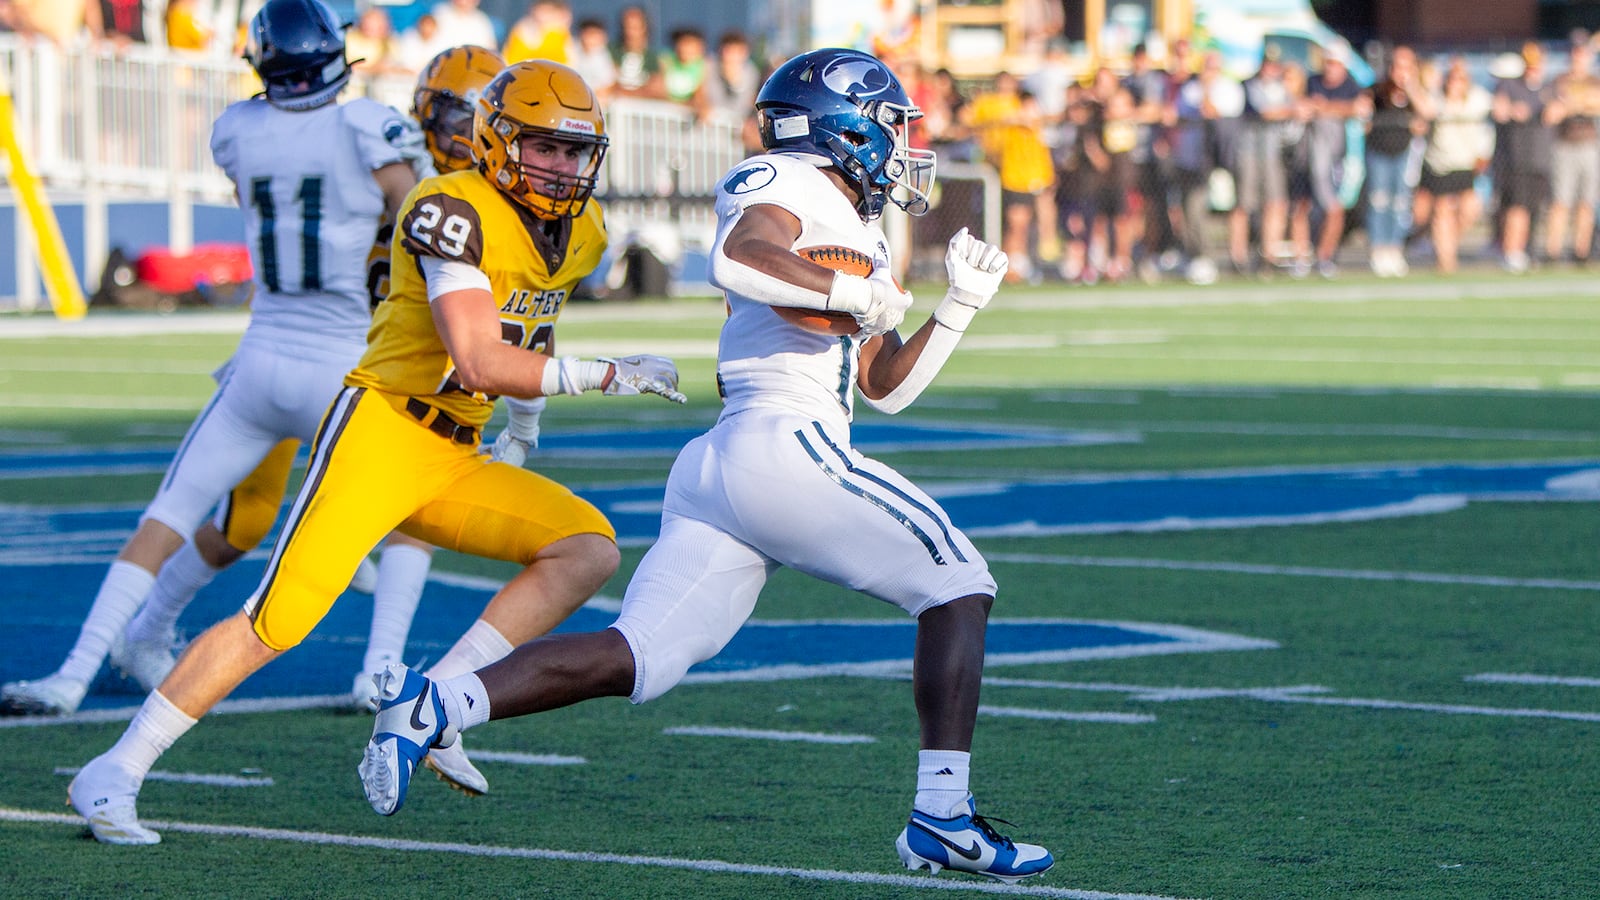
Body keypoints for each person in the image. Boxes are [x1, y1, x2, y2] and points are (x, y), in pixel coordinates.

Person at [357, 47, 1054, 886]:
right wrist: (850, 296)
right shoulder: (781, 177)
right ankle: (942, 815)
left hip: (734, 465)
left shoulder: (855, 220)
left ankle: (434, 703)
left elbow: (884, 388)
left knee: (641, 657)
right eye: (889, 125)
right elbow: (738, 259)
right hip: (779, 443)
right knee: (959, 583)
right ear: (845, 127)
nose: (901, 144)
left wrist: (957, 310)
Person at [66, 56, 686, 846]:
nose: (562, 168)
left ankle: (435, 702)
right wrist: (605, 376)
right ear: (497, 143)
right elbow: (477, 358)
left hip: (456, 452)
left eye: (574, 151)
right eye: (543, 148)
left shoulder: (583, 230)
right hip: (384, 432)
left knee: (586, 549)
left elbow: (530, 319)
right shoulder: (447, 207)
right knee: (275, 623)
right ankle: (113, 771)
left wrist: (523, 426)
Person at [0, 0, 427, 719]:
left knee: (166, 515)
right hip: (341, 368)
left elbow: (262, 195)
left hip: (259, 361)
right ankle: (379, 667)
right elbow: (419, 223)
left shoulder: (239, 131)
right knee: (413, 510)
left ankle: (72, 675)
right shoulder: (366, 127)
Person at [112, 45, 519, 717]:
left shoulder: (479, 194)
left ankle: (379, 665)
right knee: (240, 526)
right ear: (425, 109)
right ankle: (148, 630)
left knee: (409, 510)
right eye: (453, 113)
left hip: (389, 373)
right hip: (319, 360)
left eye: (477, 117)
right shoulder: (379, 161)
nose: (461, 131)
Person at [1365, 45, 1432, 278]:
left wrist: (1411, 86)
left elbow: (1428, 112)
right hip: (1379, 151)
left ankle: (1394, 248)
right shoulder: (1378, 90)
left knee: (1400, 202)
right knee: (1379, 201)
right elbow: (1364, 112)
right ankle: (1378, 248)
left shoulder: (1414, 92)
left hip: (1403, 152)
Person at [1421, 58, 1493, 274]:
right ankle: (1446, 260)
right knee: (1442, 211)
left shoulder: (1476, 99)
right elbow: (1427, 109)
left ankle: (1447, 243)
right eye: (1452, 78)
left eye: (1460, 78)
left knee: (1470, 210)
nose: (1456, 83)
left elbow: (1493, 112)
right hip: (1440, 163)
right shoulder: (1437, 99)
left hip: (1466, 163)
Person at [1304, 43, 1369, 277]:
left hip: (1343, 159)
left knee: (1335, 208)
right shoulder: (1313, 82)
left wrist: (1328, 108)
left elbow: (1359, 109)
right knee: (1305, 208)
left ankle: (1325, 255)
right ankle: (1305, 256)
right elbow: (1306, 106)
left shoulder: (1352, 85)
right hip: (1313, 158)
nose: (1330, 68)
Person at [1492, 43, 1556, 274]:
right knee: (1516, 207)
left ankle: (1527, 249)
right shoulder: (1510, 85)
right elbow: (1500, 110)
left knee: (1534, 208)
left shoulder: (1549, 87)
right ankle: (1511, 251)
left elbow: (1554, 112)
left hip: (1540, 158)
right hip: (1517, 158)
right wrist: (1514, 111)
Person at [1545, 40, 1600, 265]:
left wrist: (1574, 103)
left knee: (1586, 202)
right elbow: (1552, 113)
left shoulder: (1593, 81)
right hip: (1564, 146)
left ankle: (1581, 251)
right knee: (1560, 201)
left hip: (1588, 146)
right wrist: (1578, 103)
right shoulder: (1560, 81)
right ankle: (1553, 251)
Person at [500, 0, 574, 65]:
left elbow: (568, 63)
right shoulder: (523, 29)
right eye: (544, 11)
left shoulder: (561, 33)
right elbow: (509, 61)